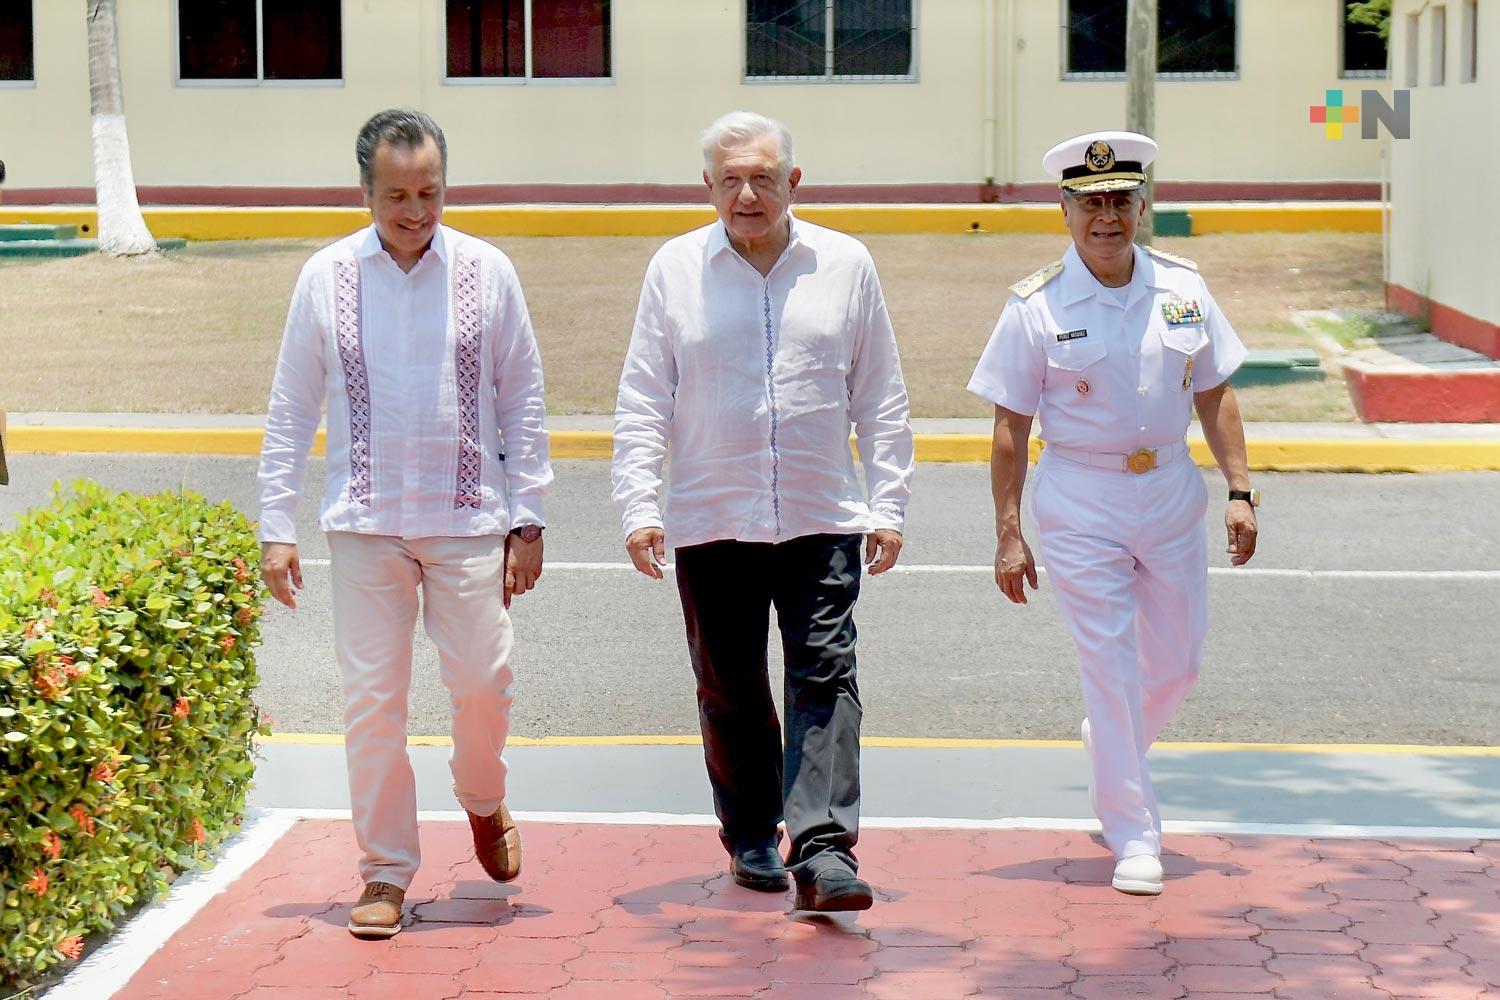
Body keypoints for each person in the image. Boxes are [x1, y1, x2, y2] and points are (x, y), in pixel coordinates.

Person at [257, 109, 552, 937]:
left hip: (467, 521)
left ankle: (482, 800)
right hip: (365, 524)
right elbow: (291, 409)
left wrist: (527, 517)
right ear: (366, 192)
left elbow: (522, 398)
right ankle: (386, 871)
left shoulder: (489, 272)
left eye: (429, 192)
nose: (415, 211)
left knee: (482, 682)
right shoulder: (326, 277)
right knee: (372, 704)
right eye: (397, 195)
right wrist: (276, 526)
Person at [612, 111, 914, 913]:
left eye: (764, 178)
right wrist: (639, 505)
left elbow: (880, 394)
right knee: (730, 683)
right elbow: (645, 396)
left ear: (794, 183)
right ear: (706, 186)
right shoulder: (674, 270)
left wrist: (888, 504)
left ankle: (822, 850)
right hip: (712, 515)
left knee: (827, 675)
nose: (748, 193)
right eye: (731, 179)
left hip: (822, 513)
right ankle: (750, 830)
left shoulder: (846, 264)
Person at [968, 131, 1259, 896]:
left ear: (1141, 207)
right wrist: (1008, 534)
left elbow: (1216, 390)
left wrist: (1240, 488)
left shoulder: (1183, 287)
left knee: (1180, 662)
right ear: (1064, 213)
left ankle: (1112, 744)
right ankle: (1134, 833)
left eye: (1120, 201)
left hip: (1168, 489)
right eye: (1090, 202)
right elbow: (1008, 429)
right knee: (1108, 662)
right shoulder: (1035, 305)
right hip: (1079, 494)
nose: (1106, 216)